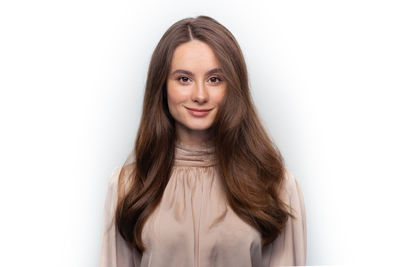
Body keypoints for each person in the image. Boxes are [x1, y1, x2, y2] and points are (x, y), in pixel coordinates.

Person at [98, 15, 306, 267]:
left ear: (233, 86)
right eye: (184, 79)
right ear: (162, 86)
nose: (200, 95)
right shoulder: (128, 186)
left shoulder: (277, 186)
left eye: (214, 79)